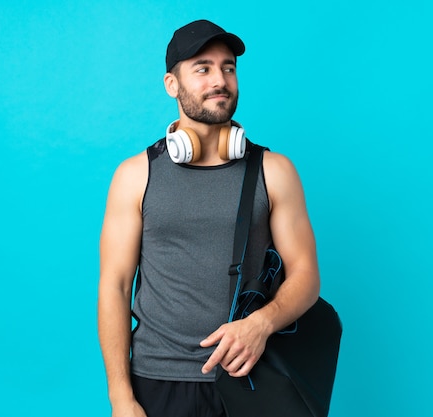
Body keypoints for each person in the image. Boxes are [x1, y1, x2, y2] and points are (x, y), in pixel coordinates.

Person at [97, 19, 320, 417]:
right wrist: (120, 397)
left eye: (228, 67)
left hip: (250, 377)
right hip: (158, 383)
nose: (220, 79)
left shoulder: (275, 171)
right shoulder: (135, 176)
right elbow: (115, 286)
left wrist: (262, 324)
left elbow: (306, 275)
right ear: (172, 84)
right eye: (203, 68)